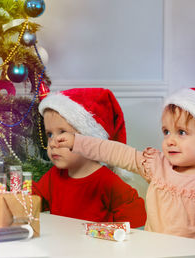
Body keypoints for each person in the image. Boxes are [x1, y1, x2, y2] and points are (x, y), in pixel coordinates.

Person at [55, 88, 195, 243]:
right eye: (166, 132)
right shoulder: (156, 165)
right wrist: (78, 142)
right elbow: (114, 152)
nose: (170, 140)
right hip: (157, 251)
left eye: (181, 132)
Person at [33, 88, 147, 228]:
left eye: (62, 133)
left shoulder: (106, 180)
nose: (52, 143)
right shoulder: (54, 176)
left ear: (88, 140)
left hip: (97, 248)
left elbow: (135, 215)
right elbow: (33, 200)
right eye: (50, 134)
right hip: (61, 246)